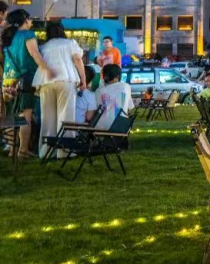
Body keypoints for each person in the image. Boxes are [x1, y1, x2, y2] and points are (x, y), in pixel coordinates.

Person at [2, 9, 54, 157]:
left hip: (8, 79)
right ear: (25, 20)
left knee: (11, 115)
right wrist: (47, 70)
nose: (31, 22)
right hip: (25, 78)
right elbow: (34, 53)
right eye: (30, 19)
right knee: (26, 115)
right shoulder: (28, 34)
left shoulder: (7, 36)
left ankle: (12, 150)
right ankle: (23, 150)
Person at [34, 21, 86, 158]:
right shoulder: (70, 43)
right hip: (66, 80)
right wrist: (83, 79)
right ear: (62, 31)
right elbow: (78, 59)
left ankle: (46, 151)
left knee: (47, 117)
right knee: (66, 116)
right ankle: (64, 151)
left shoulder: (43, 46)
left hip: (45, 81)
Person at [94, 64, 134, 130]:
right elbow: (130, 108)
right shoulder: (126, 87)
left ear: (104, 76)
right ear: (118, 76)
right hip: (121, 127)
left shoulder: (98, 90)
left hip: (101, 127)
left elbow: (95, 110)